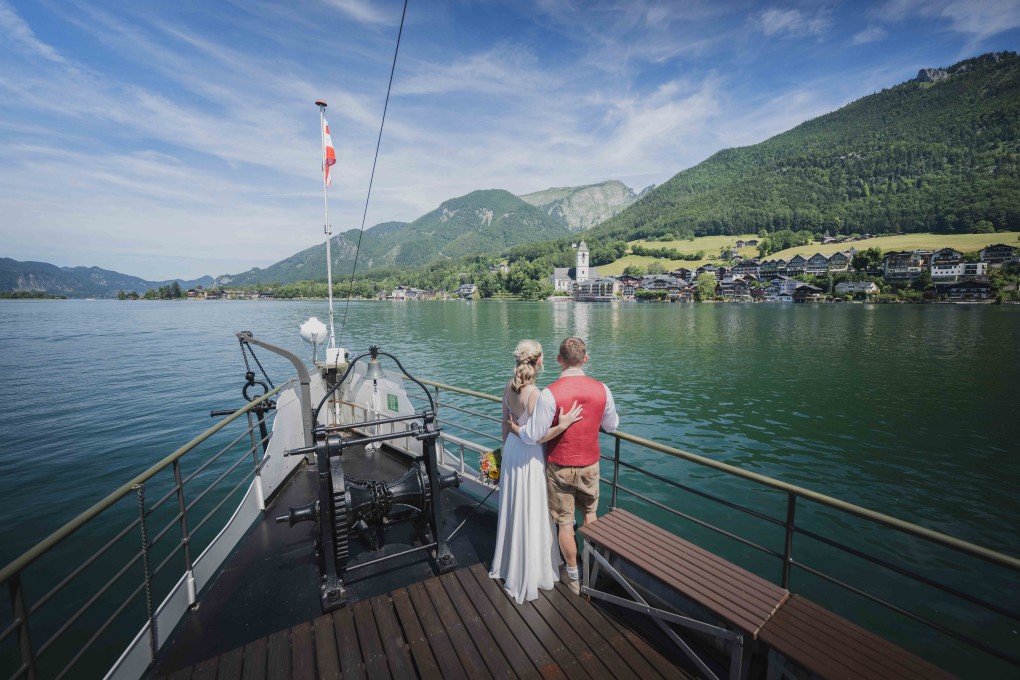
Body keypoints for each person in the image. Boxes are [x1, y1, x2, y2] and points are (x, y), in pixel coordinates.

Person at [516, 336, 618, 595]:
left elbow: (535, 435)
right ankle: (591, 568)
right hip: (590, 465)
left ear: (559, 360)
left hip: (560, 467)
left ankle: (573, 578)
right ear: (585, 359)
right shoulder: (603, 389)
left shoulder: (550, 393)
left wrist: (518, 430)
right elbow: (611, 426)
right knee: (591, 516)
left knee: (564, 523)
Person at [489, 339, 583, 604]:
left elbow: (505, 425)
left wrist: (504, 453)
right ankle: (533, 570)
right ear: (539, 361)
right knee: (533, 507)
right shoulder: (536, 394)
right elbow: (538, 436)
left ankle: (512, 565)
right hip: (530, 456)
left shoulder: (509, 386)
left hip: (512, 452)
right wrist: (563, 424)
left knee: (516, 506)